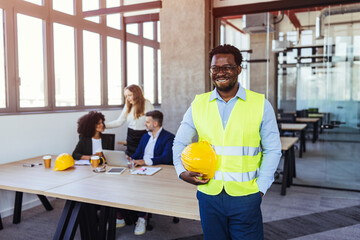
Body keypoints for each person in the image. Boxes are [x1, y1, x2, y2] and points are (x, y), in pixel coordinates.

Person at [173, 44, 281, 240]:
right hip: (209, 195)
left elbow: (273, 149)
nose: (220, 72)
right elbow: (179, 143)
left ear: (239, 69)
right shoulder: (198, 104)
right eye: (215, 68)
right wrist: (181, 171)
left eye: (227, 67)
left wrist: (262, 188)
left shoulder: (260, 104)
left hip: (246, 196)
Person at [126, 110, 175, 235]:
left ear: (156, 123)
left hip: (159, 172)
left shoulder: (169, 137)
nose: (145, 124)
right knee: (125, 183)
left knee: (143, 188)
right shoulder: (145, 136)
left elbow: (166, 158)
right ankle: (122, 215)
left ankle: (142, 218)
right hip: (143, 170)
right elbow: (137, 154)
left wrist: (144, 162)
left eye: (147, 122)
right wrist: (131, 159)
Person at [106, 84, 154, 157]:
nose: (128, 98)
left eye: (130, 95)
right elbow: (119, 122)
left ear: (137, 94)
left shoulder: (147, 104)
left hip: (144, 135)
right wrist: (104, 126)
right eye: (126, 96)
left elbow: (153, 123)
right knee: (131, 159)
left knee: (143, 158)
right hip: (131, 136)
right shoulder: (128, 105)